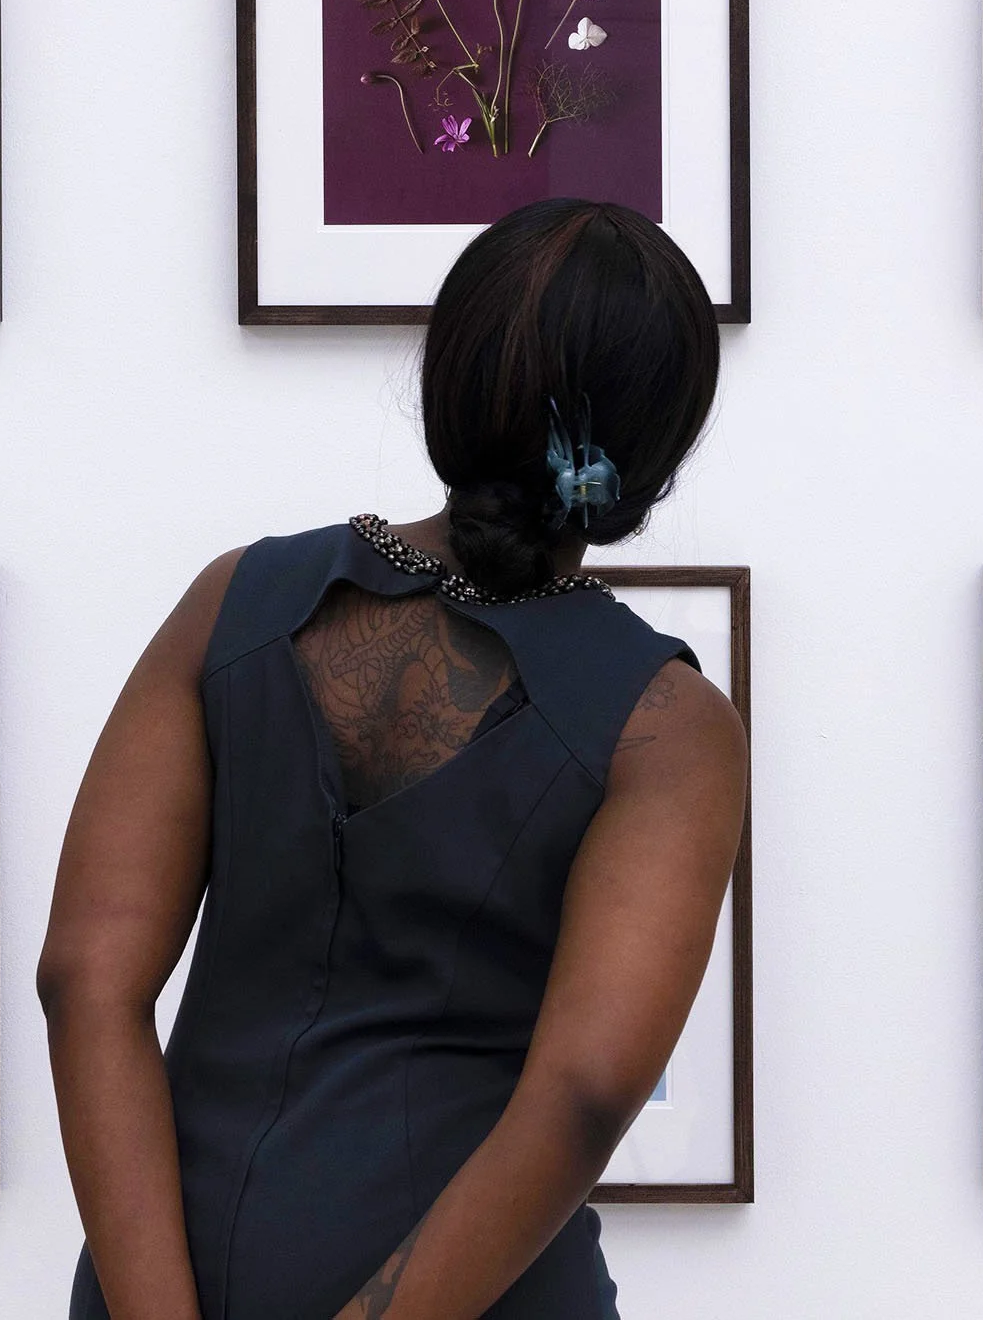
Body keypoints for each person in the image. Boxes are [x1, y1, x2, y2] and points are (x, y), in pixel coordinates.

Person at [41, 198, 748, 1320]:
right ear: (653, 446)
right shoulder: (664, 724)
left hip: (166, 1273)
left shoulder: (233, 601)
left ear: (447, 382)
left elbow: (86, 982)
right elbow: (585, 1090)